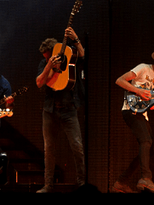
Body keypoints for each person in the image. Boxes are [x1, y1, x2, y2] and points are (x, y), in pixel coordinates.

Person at [113, 46, 154, 194]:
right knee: (146, 141)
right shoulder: (143, 68)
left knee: (150, 149)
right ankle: (145, 178)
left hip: (142, 113)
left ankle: (121, 182)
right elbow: (119, 80)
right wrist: (138, 91)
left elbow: (152, 106)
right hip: (130, 109)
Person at [36, 27, 86, 193]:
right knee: (49, 149)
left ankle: (81, 183)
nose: (47, 59)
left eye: (49, 56)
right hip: (50, 111)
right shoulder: (45, 63)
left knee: (77, 146)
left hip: (69, 110)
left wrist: (76, 38)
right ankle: (48, 185)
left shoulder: (70, 58)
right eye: (46, 58)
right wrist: (48, 66)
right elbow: (39, 82)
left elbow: (82, 54)